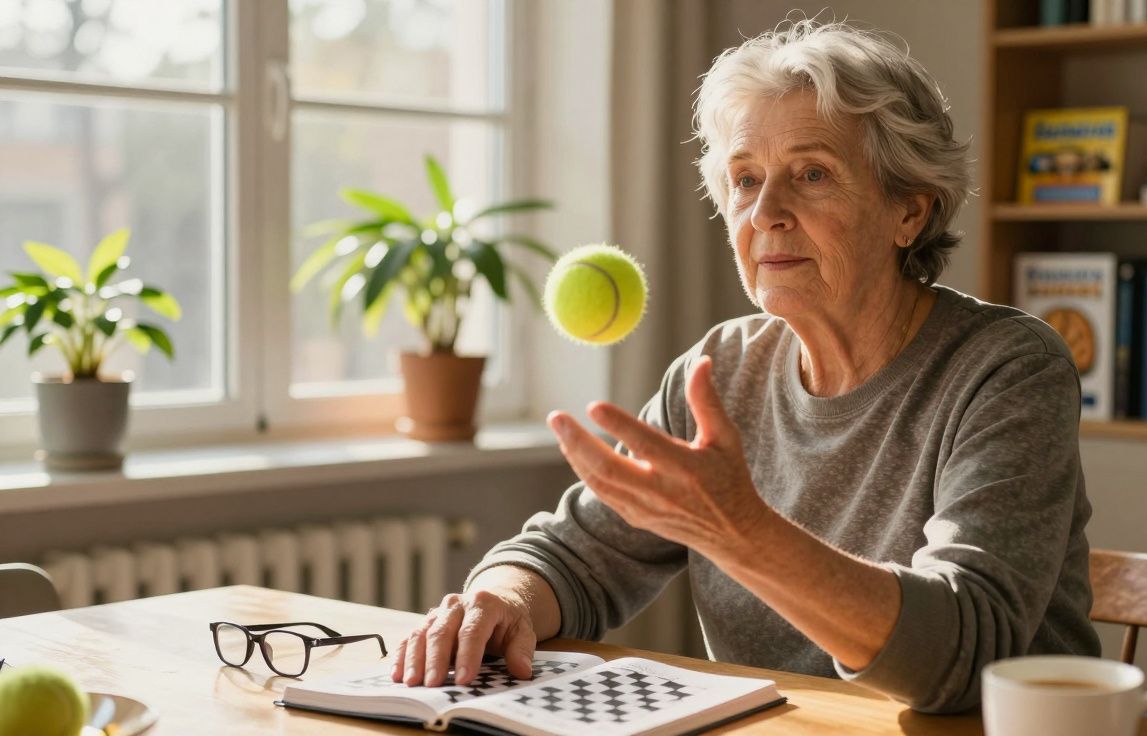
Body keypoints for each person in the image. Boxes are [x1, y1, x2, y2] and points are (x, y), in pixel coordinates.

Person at [390, 18, 1100, 714]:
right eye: (744, 179)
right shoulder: (721, 369)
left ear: (908, 212)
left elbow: (961, 657)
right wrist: (502, 599)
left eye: (812, 174)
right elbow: (577, 555)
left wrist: (741, 529)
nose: (765, 212)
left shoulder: (1008, 368)